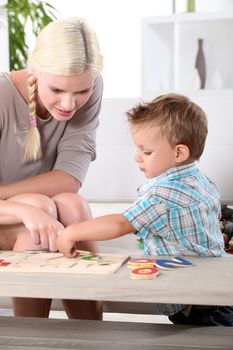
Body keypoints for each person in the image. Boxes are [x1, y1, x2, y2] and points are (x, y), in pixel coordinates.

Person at [57, 93, 233, 326]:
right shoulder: (202, 181)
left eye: (146, 152)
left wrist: (71, 232)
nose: (136, 158)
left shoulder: (162, 195)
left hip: (195, 302)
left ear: (179, 153)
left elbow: (120, 223)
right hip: (216, 288)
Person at [0, 16, 103, 319]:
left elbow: (69, 180)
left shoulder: (90, 84)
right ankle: (31, 333)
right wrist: (23, 209)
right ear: (34, 70)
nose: (69, 105)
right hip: (16, 214)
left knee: (72, 204)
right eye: (57, 89)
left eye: (81, 92)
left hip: (29, 205)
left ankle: (90, 332)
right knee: (39, 208)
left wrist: (5, 194)